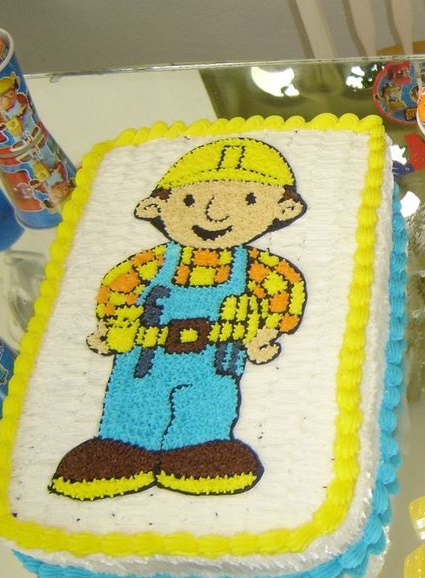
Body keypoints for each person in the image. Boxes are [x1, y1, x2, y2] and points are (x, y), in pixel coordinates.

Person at [49, 137, 307, 500]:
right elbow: (118, 288)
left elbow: (283, 288)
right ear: (157, 206)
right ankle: (120, 448)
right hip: (145, 356)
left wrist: (266, 331)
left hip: (216, 356)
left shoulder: (256, 268)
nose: (214, 214)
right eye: (189, 201)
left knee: (207, 403)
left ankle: (200, 448)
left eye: (248, 200)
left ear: (282, 209)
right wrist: (111, 325)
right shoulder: (153, 263)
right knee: (135, 399)